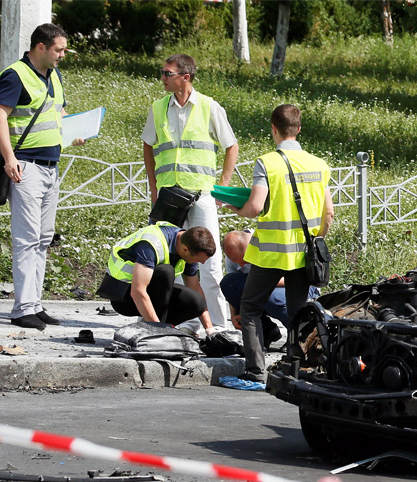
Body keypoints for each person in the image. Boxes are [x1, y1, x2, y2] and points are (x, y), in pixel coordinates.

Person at [225, 104, 334, 383]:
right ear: (299, 130)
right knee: (298, 310)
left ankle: (255, 371)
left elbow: (255, 206)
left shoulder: (267, 162)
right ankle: (295, 367)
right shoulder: (319, 165)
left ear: (273, 128)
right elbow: (328, 213)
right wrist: (316, 237)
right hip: (303, 254)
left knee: (250, 308)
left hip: (270, 254)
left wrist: (235, 208)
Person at [0, 23, 84, 331]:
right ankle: (22, 309)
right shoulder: (15, 75)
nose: (62, 56)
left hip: (50, 167)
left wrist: (76, 130)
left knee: (43, 238)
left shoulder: (55, 76)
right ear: (40, 47)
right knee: (27, 239)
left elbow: (58, 114)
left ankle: (34, 303)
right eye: (59, 50)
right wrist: (9, 158)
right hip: (25, 167)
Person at [141, 53, 238, 330]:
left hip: (201, 196)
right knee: (169, 259)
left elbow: (231, 145)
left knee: (209, 260)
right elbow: (149, 146)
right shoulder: (158, 107)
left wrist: (223, 186)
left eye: (167, 73)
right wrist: (153, 188)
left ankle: (218, 326)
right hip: (169, 197)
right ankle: (180, 321)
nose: (162, 77)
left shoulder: (209, 107)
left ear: (185, 76)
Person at [96, 223, 218, 332]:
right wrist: (158, 332)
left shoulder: (186, 242)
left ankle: (152, 327)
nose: (200, 263)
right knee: (166, 272)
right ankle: (155, 329)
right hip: (124, 297)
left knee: (197, 303)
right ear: (185, 249)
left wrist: (210, 330)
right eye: (198, 260)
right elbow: (138, 291)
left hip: (150, 293)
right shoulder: (151, 244)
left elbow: (195, 287)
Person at [220, 230, 322, 349]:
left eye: (244, 260)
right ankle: (266, 330)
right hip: (263, 285)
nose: (242, 265)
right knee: (229, 282)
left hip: (299, 285)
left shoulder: (271, 245)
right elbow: (234, 287)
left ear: (252, 248)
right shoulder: (233, 255)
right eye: (236, 261)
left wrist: (260, 284)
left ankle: (300, 335)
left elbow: (298, 278)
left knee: (268, 296)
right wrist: (234, 314)